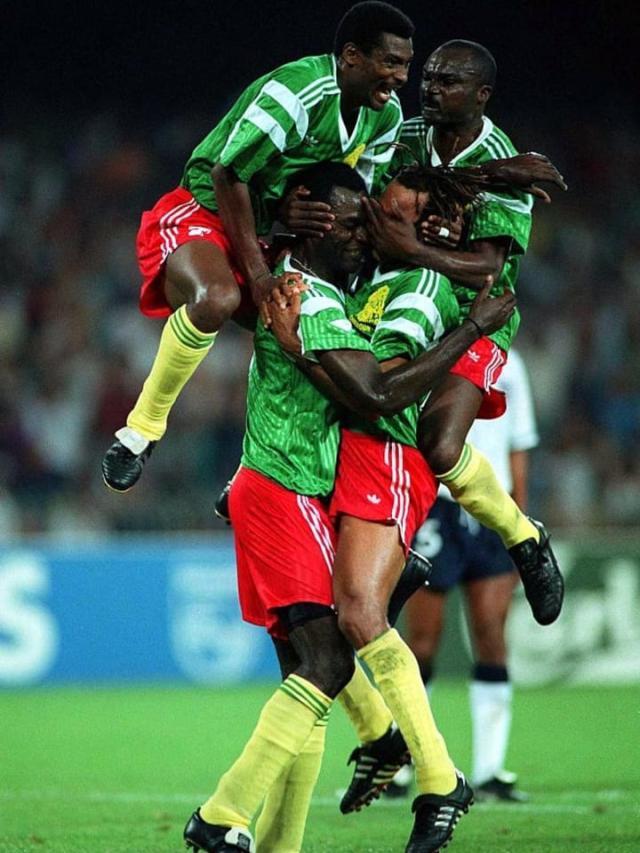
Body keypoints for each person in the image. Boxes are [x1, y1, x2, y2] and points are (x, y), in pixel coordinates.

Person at [184, 162, 514, 853]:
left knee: (309, 669)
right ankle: (223, 815)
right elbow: (378, 396)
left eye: (372, 223)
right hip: (285, 491)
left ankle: (279, 838)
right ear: (317, 225)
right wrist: (472, 327)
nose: (365, 236)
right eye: (354, 223)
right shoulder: (315, 297)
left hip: (277, 490)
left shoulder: (309, 287)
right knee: (330, 660)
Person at [101, 1, 415, 493]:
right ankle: (141, 431)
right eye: (390, 62)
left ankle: (264, 476)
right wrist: (263, 275)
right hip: (205, 209)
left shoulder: (386, 118)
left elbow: (349, 194)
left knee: (308, 332)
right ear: (352, 56)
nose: (399, 77)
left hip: (272, 229)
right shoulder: (298, 92)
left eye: (405, 65)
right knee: (219, 297)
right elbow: (228, 174)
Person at [354, 39, 565, 628]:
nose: (431, 87)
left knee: (439, 446)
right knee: (354, 401)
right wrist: (418, 241)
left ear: (481, 95)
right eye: (430, 77)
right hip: (402, 294)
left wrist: (412, 246)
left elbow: (489, 270)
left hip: (481, 317)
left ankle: (524, 538)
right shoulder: (408, 132)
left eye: (448, 82)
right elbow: (379, 208)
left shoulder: (502, 156)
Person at [389, 348, 538, 802]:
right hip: (437, 505)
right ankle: (399, 765)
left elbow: (519, 443)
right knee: (422, 641)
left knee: (492, 633)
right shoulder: (435, 348)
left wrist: (521, 532)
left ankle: (491, 769)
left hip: (495, 508)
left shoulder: (513, 363)